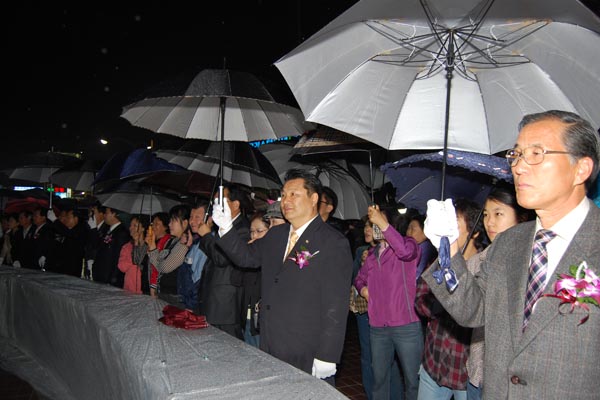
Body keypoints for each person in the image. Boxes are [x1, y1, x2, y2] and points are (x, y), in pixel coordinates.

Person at [423, 110, 600, 399]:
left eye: (536, 153)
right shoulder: (509, 243)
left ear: (581, 169)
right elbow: (473, 310)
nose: (518, 167)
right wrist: (447, 249)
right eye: (516, 154)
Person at [212, 169, 352, 382]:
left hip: (307, 344)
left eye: (294, 194)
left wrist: (327, 354)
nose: (286, 200)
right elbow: (247, 258)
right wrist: (225, 228)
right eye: (284, 195)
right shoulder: (276, 235)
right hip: (272, 339)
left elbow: (336, 303)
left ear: (313, 199)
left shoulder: (332, 242)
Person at [466, 187, 533, 400]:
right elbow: (467, 309)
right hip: (478, 371)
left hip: (514, 382)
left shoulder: (534, 263)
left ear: (521, 218)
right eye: (486, 215)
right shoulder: (478, 261)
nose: (489, 222)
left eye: (498, 213)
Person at [415, 198, 486, 400]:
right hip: (434, 360)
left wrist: (459, 305)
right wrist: (436, 307)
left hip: (463, 368)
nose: (448, 227)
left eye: (455, 222)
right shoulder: (440, 261)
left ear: (474, 231)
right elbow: (419, 297)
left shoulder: (484, 266)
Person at [354, 205, 423, 400]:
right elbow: (359, 279)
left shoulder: (409, 244)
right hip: (378, 327)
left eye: (378, 221)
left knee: (412, 381)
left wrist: (382, 222)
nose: (374, 225)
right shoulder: (373, 254)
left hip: (406, 326)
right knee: (380, 380)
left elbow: (405, 252)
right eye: (373, 222)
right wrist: (363, 289)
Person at [350, 216, 403, 400]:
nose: (367, 229)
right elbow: (355, 280)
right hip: (364, 310)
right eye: (365, 226)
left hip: (386, 312)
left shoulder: (392, 251)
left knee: (388, 359)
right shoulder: (360, 251)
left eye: (372, 226)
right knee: (367, 357)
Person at [197, 184, 250, 339]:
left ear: (235, 204)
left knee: (228, 351)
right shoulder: (223, 227)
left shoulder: (242, 228)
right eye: (215, 202)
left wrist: (206, 236)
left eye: (221, 201)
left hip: (226, 306)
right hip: (214, 301)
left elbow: (222, 258)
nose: (216, 206)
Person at [146, 204, 193, 307]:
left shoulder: (184, 244)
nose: (170, 224)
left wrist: (153, 248)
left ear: (185, 223)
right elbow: (158, 261)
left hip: (174, 298)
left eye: (173, 221)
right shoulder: (173, 241)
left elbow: (164, 267)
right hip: (165, 294)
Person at [177, 201, 209, 312]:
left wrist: (190, 307)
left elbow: (197, 280)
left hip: (193, 307)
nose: (192, 221)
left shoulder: (206, 244)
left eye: (197, 217)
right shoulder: (195, 241)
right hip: (186, 301)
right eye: (191, 217)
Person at [92, 207, 130, 287]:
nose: (105, 215)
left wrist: (112, 278)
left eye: (107, 213)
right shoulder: (107, 229)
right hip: (101, 275)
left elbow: (117, 257)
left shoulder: (121, 233)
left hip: (109, 278)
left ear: (114, 214)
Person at [117, 215, 147, 294]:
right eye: (130, 225)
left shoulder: (149, 246)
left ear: (143, 228)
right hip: (129, 289)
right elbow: (121, 266)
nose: (131, 228)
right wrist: (134, 261)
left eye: (135, 225)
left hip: (144, 290)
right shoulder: (127, 246)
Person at [406, 214, 437, 281]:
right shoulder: (415, 247)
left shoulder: (425, 247)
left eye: (413, 229)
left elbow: (416, 274)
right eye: (408, 228)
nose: (409, 232)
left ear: (425, 232)